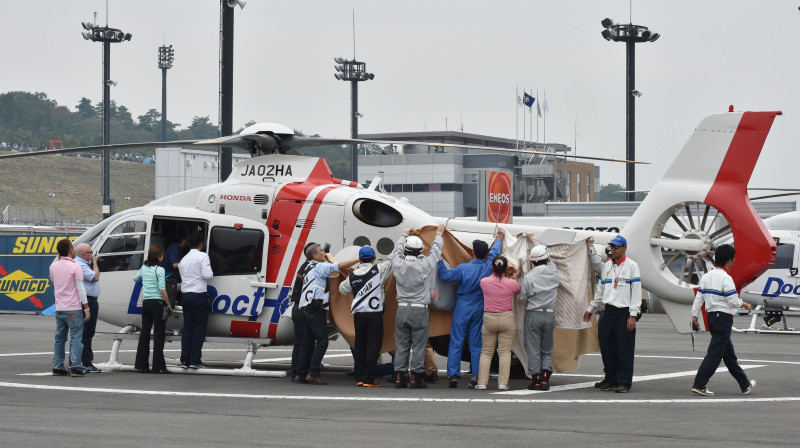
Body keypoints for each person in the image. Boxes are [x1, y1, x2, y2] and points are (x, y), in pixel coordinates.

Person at [437, 228, 503, 388]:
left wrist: (439, 260)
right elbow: (494, 253)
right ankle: (476, 376)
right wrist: (500, 237)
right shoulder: (488, 267)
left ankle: (453, 374)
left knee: (456, 340)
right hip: (480, 306)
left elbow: (444, 276)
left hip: (462, 306)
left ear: (472, 252)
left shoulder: (463, 268)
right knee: (476, 342)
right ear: (485, 254)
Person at [690, 244, 756, 396]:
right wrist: (745, 304)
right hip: (723, 319)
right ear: (730, 261)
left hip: (712, 318)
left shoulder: (706, 277)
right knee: (715, 354)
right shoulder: (726, 278)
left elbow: (699, 298)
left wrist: (694, 316)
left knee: (729, 355)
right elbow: (733, 300)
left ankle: (744, 384)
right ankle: (699, 384)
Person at [582, 234, 641, 393]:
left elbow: (636, 292)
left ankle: (624, 382)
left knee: (624, 349)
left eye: (616, 247)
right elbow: (600, 291)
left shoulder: (632, 266)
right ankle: (611, 378)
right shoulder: (607, 266)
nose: (612, 249)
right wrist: (591, 308)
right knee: (606, 347)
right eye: (612, 247)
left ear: (624, 248)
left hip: (624, 313)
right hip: (607, 312)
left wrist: (633, 315)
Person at [295, 244, 360, 385]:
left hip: (304, 308)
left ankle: (300, 373)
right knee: (322, 341)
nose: (323, 253)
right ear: (314, 255)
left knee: (306, 341)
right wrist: (357, 260)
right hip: (314, 309)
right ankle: (313, 373)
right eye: (321, 251)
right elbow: (340, 266)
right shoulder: (320, 267)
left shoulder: (308, 267)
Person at [390, 225, 445, 389]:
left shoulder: (398, 263)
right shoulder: (425, 264)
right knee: (419, 345)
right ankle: (416, 377)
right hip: (420, 309)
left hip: (402, 308)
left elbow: (396, 251)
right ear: (420, 250)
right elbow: (436, 252)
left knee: (401, 345)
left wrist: (404, 234)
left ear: (406, 250)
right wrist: (439, 234)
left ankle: (399, 377)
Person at [339, 246, 393, 387]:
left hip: (359, 315)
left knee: (360, 345)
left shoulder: (353, 275)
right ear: (373, 258)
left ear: (360, 259)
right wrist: (404, 237)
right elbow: (392, 259)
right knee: (373, 346)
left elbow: (342, 289)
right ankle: (369, 378)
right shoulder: (378, 270)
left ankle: (359, 377)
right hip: (374, 315)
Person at [519, 235, 560, 390]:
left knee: (533, 349)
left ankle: (536, 380)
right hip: (549, 315)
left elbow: (522, 300)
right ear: (546, 259)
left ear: (532, 261)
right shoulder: (553, 271)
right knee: (547, 349)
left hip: (533, 315)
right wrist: (533, 240)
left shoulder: (529, 277)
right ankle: (545, 379)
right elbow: (550, 259)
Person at [476, 255, 521, 390]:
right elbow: (517, 289)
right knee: (505, 352)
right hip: (506, 317)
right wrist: (515, 276)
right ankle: (502, 383)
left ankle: (482, 383)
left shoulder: (484, 282)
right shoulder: (511, 283)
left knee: (486, 352)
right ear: (506, 268)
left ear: (492, 267)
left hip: (489, 317)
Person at [49, 238, 90, 377]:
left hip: (60, 307)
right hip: (73, 308)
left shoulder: (53, 266)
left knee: (60, 338)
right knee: (76, 338)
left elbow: (54, 281)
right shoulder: (75, 267)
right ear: (71, 250)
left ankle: (57, 366)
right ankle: (75, 366)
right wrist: (86, 308)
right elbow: (81, 289)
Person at [133, 245, 174, 374]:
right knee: (158, 334)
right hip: (157, 303)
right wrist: (169, 304)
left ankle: (142, 365)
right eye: (162, 254)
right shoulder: (159, 270)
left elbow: (135, 278)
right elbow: (162, 290)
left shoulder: (144, 268)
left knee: (144, 333)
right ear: (158, 256)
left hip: (146, 303)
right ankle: (158, 366)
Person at [178, 233, 213, 369]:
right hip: (199, 294)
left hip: (185, 295)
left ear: (188, 244)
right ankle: (194, 360)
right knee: (199, 328)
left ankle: (184, 360)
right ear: (201, 244)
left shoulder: (183, 260)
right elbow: (207, 275)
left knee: (187, 328)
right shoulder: (203, 256)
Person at [289, 242, 316, 382]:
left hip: (297, 307)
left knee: (301, 342)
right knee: (304, 342)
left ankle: (297, 371)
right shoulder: (310, 268)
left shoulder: (304, 266)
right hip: (302, 307)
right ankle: (298, 372)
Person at [74, 243, 101, 373]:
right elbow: (95, 277)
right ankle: (85, 361)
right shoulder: (80, 265)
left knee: (86, 332)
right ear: (84, 254)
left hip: (90, 300)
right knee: (87, 332)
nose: (93, 254)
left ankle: (81, 360)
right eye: (91, 252)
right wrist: (95, 263)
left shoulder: (81, 264)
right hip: (87, 301)